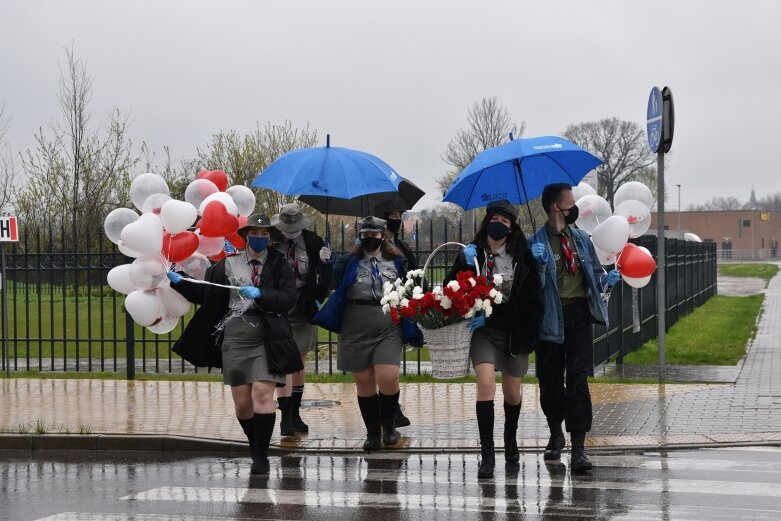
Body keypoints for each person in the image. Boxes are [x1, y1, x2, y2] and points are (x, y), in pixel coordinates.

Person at [167, 213, 296, 476]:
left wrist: (263, 294)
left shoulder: (279, 264)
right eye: (254, 234)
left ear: (270, 237)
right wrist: (179, 282)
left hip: (267, 335)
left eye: (264, 235)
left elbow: (288, 298)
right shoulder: (229, 264)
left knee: (262, 393)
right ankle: (254, 443)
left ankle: (261, 456)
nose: (259, 238)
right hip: (236, 337)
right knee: (242, 403)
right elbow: (206, 291)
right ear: (246, 235)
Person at [444, 199, 542, 479]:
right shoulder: (473, 254)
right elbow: (450, 291)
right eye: (495, 218)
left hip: (513, 334)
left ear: (511, 229)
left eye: (505, 221)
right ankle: (487, 452)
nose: (498, 224)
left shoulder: (522, 257)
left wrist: (538, 264)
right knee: (485, 385)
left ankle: (509, 438)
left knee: (512, 394)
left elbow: (530, 304)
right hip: (482, 333)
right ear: (486, 221)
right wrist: (462, 264)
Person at [529, 184, 620, 475]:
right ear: (557, 206)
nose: (575, 207)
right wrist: (538, 264)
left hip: (579, 316)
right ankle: (556, 433)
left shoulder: (581, 238)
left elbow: (593, 274)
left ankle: (579, 446)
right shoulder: (536, 244)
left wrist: (606, 280)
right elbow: (530, 291)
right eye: (571, 202)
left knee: (579, 381)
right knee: (550, 381)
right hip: (549, 319)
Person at [314, 216, 423, 451]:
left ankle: (390, 426)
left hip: (387, 325)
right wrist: (324, 263)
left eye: (374, 235)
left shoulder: (397, 261)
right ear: (359, 236)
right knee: (364, 382)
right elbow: (331, 280)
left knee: (388, 376)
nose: (369, 239)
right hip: (355, 325)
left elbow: (410, 287)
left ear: (383, 236)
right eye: (364, 234)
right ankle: (373, 432)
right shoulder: (349, 260)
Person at [270, 203, 333, 437]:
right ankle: (285, 416)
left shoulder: (313, 241)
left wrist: (326, 263)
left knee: (299, 361)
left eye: (294, 227)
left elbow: (325, 280)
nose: (291, 231)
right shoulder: (272, 241)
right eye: (287, 227)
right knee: (283, 359)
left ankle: (295, 413)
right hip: (279, 306)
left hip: (303, 306)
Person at [373, 201, 417, 429]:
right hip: (373, 312)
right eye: (391, 215)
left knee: (390, 366)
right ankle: (386, 410)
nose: (396, 219)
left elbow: (414, 274)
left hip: (397, 311)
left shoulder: (401, 245)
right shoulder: (371, 244)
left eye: (399, 215)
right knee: (378, 368)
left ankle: (391, 408)